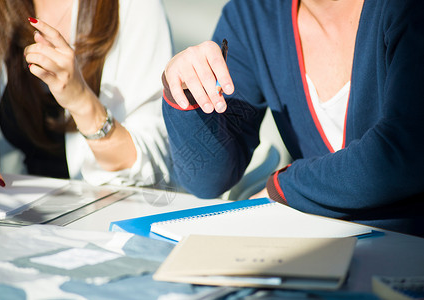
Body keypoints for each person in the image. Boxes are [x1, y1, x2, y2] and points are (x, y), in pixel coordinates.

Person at [162, 0, 424, 237]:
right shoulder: (253, 17)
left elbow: (406, 155)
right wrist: (187, 94)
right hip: (317, 256)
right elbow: (207, 179)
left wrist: (286, 188)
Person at [0, 0, 173, 188]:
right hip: (19, 209)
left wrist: (81, 101)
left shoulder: (135, 7)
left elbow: (154, 165)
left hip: (106, 211)